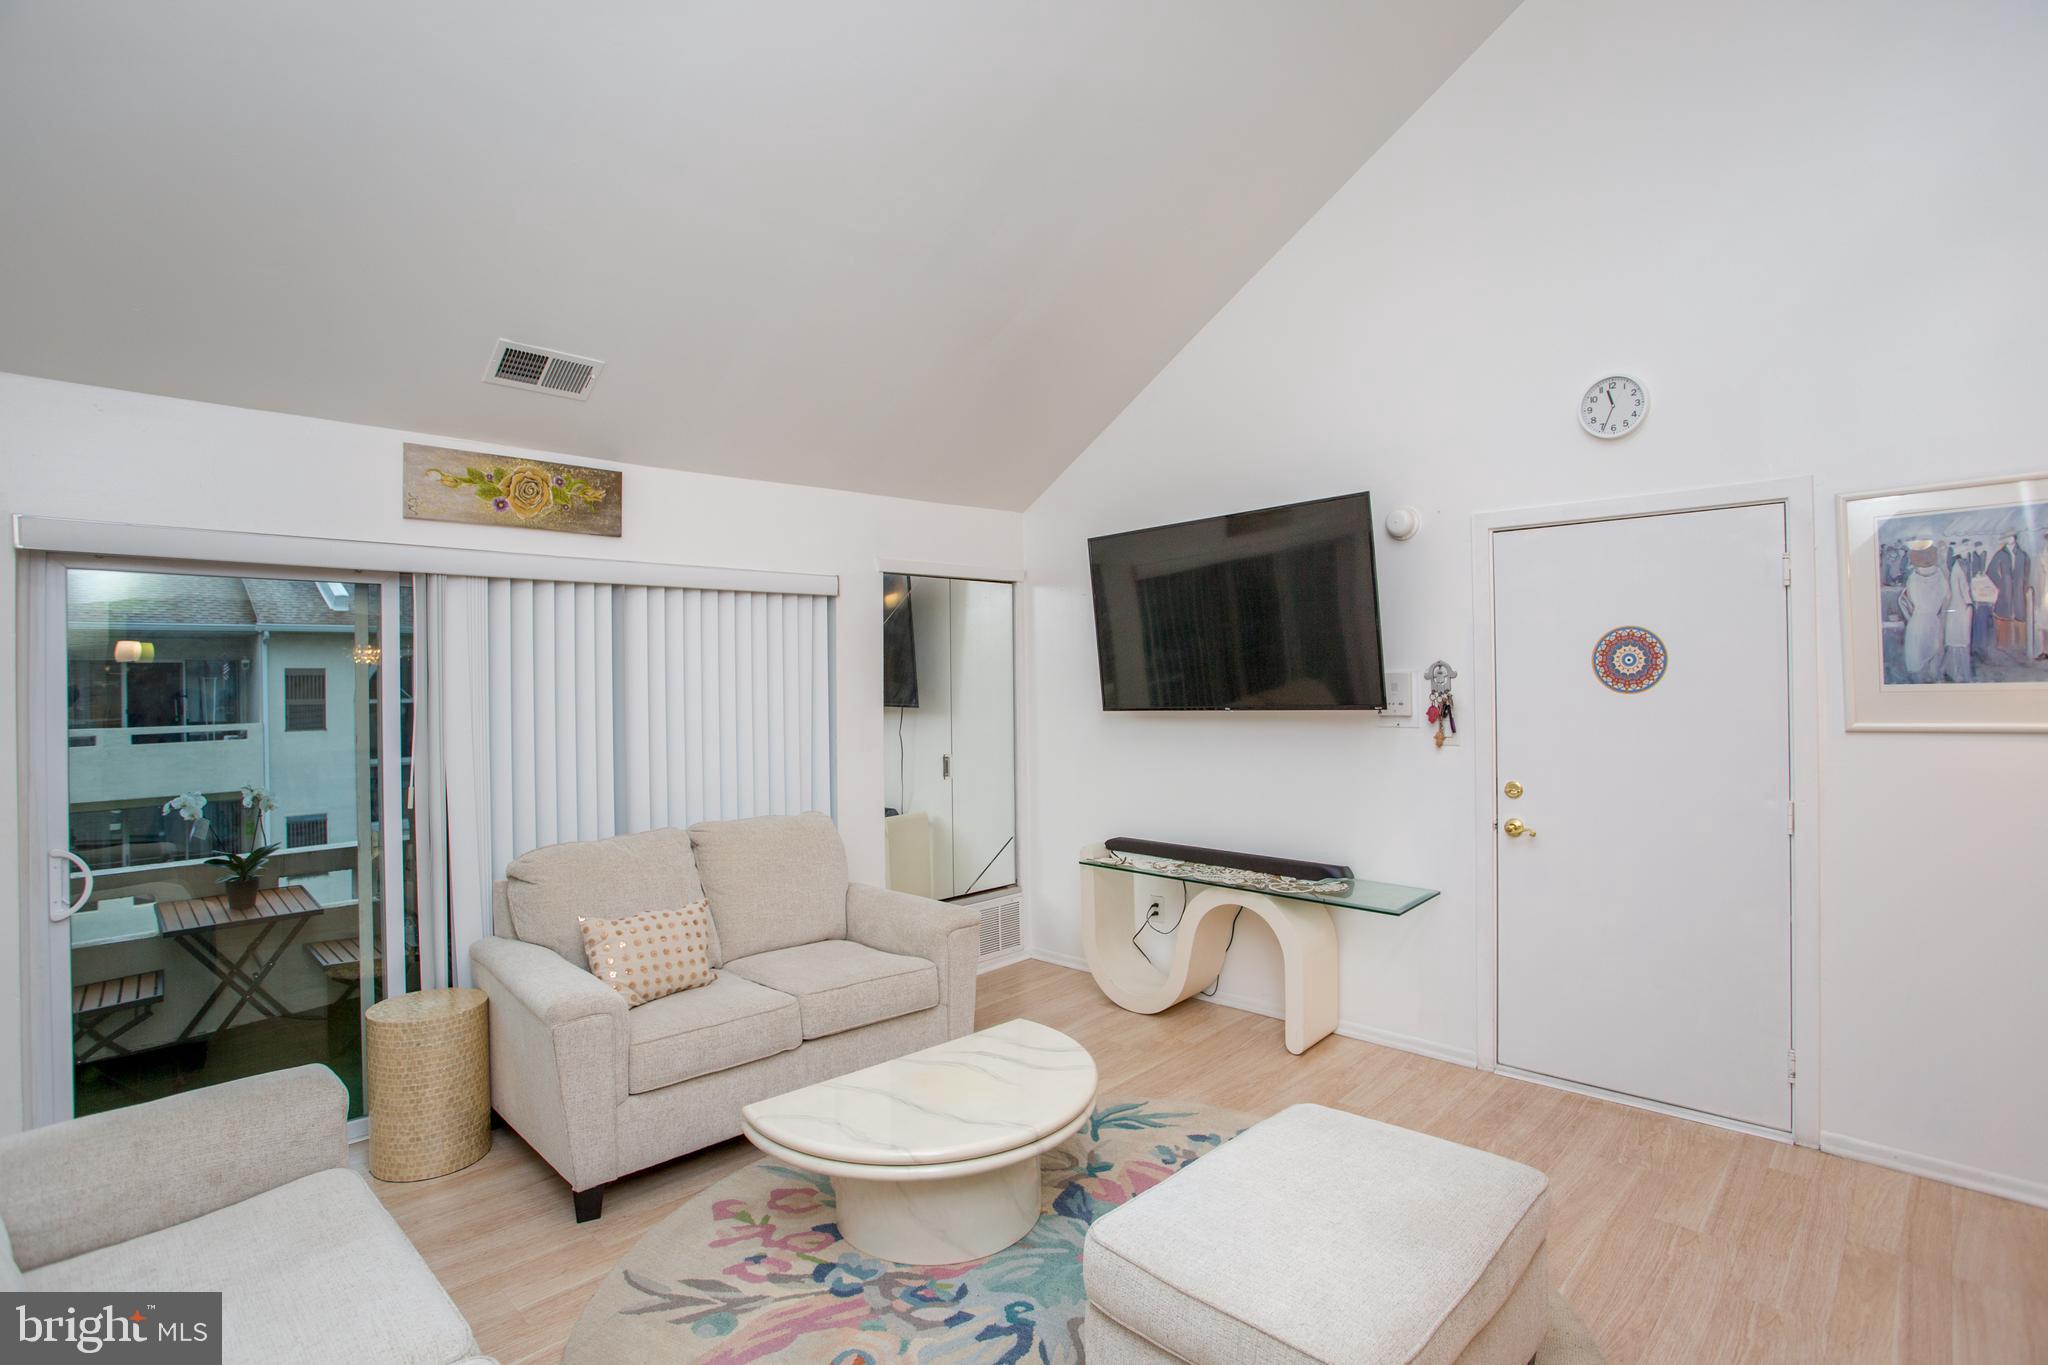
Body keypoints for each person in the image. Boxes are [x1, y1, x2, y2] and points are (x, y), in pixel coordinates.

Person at [1898, 540, 1948, 684]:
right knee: (1933, 661)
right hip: (1934, 621)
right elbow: (1945, 599)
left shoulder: (1913, 579)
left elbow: (1905, 601)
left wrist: (1909, 616)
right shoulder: (1941, 577)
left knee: (1917, 664)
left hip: (1917, 622)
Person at [1988, 533, 2031, 658]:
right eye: (2006, 537)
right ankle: (2003, 645)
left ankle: (2021, 645)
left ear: (2014, 538)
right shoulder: (2001, 554)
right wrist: (2001, 583)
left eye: (2010, 537)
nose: (2008, 539)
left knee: (2020, 615)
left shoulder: (2023, 555)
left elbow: (2027, 572)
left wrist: (2024, 585)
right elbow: (1990, 570)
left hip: (2018, 590)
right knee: (2003, 614)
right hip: (2005, 591)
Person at [1943, 541, 1975, 681]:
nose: (1968, 552)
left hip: (1956, 605)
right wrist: (1969, 602)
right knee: (1960, 640)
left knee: (1955, 640)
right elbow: (1963, 588)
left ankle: (1952, 670)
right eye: (1966, 550)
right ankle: (1959, 673)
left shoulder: (1956, 566)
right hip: (1960, 605)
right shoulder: (1960, 566)